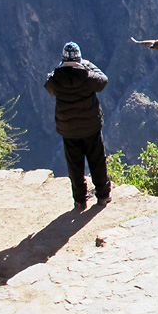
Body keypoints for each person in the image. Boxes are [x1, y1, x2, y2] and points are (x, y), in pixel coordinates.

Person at [44, 42, 111, 211]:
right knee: (97, 160)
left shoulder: (55, 79)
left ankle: (80, 200)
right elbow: (103, 81)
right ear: (79, 59)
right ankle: (103, 195)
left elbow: (48, 87)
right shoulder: (88, 77)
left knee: (75, 164)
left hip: (69, 130)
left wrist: (59, 69)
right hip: (91, 127)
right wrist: (87, 65)